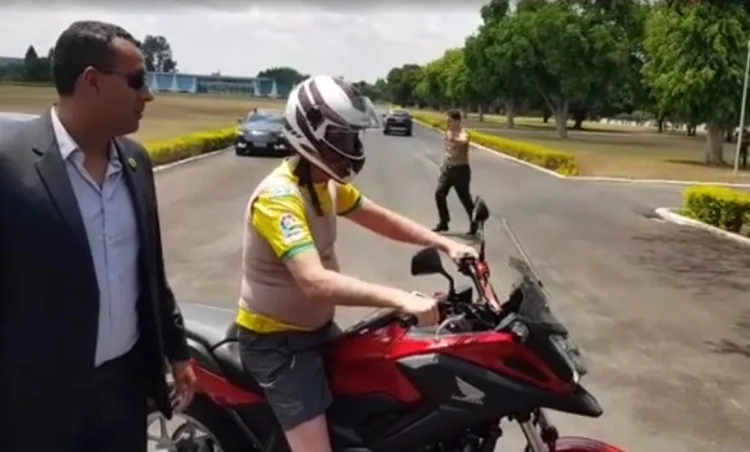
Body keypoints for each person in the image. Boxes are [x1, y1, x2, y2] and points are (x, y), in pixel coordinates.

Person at [236, 75, 479, 452]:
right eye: (343, 138)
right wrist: (400, 298)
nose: (352, 146)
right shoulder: (278, 198)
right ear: (313, 135)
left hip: (316, 331)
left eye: (353, 136)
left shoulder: (324, 182)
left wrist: (444, 243)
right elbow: (315, 281)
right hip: (277, 345)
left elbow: (380, 217)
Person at [0, 20, 196, 452]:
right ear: (91, 81)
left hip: (121, 393)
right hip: (36, 404)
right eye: (137, 80)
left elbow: (150, 271)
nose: (148, 94)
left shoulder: (135, 162)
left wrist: (178, 352)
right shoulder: (10, 166)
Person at [433, 110, 476, 234]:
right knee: (439, 194)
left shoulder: (463, 134)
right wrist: (444, 164)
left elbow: (464, 141)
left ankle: (474, 223)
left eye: (450, 121)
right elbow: (448, 152)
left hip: (461, 171)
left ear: (457, 121)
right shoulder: (448, 133)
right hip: (448, 169)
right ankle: (444, 222)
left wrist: (454, 139)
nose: (448, 123)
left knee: (465, 199)